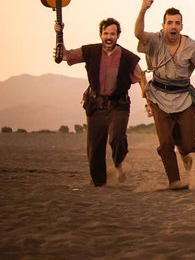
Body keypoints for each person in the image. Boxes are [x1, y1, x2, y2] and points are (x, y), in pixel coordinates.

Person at [135, 0, 195, 190]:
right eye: (170, 23)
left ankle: (185, 153)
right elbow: (138, 33)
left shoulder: (191, 46)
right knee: (166, 141)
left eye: (177, 23)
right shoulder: (155, 39)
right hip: (158, 97)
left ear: (181, 25)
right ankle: (174, 181)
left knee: (186, 143)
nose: (173, 26)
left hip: (183, 97)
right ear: (163, 25)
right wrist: (143, 10)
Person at [55, 18, 144, 187]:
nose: (109, 37)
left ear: (118, 36)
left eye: (112, 33)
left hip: (119, 105)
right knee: (95, 148)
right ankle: (99, 184)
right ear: (101, 34)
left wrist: (147, 99)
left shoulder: (127, 57)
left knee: (117, 138)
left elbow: (141, 78)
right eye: (106, 33)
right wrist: (59, 33)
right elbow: (65, 55)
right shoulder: (90, 51)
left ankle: (118, 164)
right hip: (96, 105)